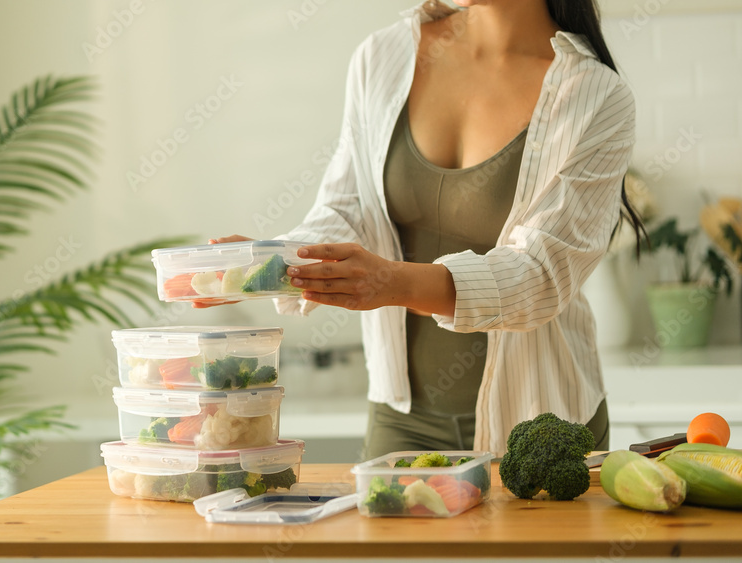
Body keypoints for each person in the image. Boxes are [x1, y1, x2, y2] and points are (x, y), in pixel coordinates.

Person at [210, 0, 645, 458]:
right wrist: (277, 259)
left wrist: (390, 283)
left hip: (543, 423)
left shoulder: (596, 97)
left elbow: (539, 275)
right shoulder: (383, 56)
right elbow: (350, 207)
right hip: (402, 422)